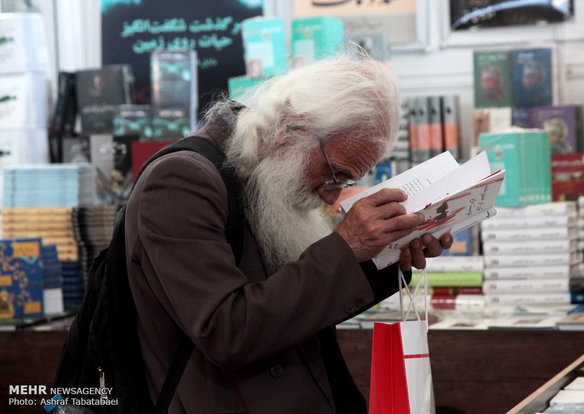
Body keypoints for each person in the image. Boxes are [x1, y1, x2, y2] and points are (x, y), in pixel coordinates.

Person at [124, 52, 453, 414]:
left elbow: (294, 302)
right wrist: (346, 247)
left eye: (347, 182)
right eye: (334, 173)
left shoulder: (267, 175)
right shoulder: (181, 181)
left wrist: (389, 253)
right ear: (290, 128)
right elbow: (226, 331)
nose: (331, 194)